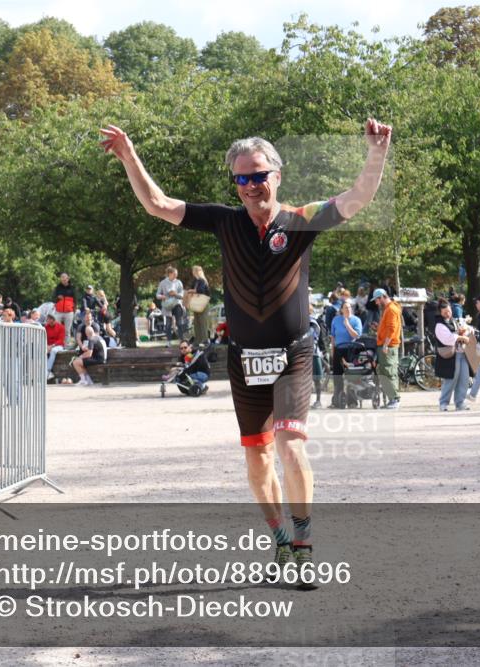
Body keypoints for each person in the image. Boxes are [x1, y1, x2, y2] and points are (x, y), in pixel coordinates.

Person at [100, 116, 391, 582]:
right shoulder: (224, 221)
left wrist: (376, 152)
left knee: (291, 445)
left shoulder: (300, 220)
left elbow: (356, 200)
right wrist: (128, 154)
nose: (252, 185)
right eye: (242, 178)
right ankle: (279, 541)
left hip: (293, 353)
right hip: (244, 359)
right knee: (257, 458)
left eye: (259, 175)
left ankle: (303, 542)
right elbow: (158, 204)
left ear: (277, 175)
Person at [433, 298, 472, 411]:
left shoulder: (453, 320)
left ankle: (460, 403)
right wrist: (461, 337)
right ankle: (443, 403)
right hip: (450, 355)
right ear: (440, 312)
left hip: (462, 353)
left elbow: (461, 331)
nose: (448, 313)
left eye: (449, 311)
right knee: (451, 379)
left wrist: (464, 331)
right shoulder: (439, 325)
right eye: (445, 312)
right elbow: (448, 339)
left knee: (464, 379)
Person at [329, 300, 362, 408]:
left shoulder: (356, 320)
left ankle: (352, 401)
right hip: (338, 349)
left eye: (349, 307)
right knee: (337, 376)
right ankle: (337, 401)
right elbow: (333, 336)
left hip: (351, 351)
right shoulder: (336, 320)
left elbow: (356, 335)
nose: (348, 309)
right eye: (345, 308)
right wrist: (332, 349)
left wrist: (347, 325)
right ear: (342, 310)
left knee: (351, 376)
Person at [374, 287, 402, 410]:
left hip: (388, 346)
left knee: (389, 372)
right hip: (388, 345)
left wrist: (385, 344)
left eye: (377, 300)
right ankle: (393, 399)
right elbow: (389, 328)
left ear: (382, 297)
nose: (376, 303)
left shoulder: (391, 309)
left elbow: (391, 329)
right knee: (386, 371)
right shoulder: (389, 309)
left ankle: (394, 399)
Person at [156, 266, 186, 345]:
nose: (176, 276)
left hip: (177, 304)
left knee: (179, 323)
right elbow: (157, 294)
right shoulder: (163, 283)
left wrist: (175, 294)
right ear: (169, 274)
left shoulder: (178, 282)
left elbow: (182, 295)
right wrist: (162, 296)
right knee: (168, 324)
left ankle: (182, 341)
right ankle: (168, 341)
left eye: (177, 274)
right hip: (167, 305)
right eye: (174, 274)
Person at [185, 265, 211, 344]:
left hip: (203, 304)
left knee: (202, 322)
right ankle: (198, 340)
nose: (192, 272)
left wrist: (191, 290)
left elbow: (200, 290)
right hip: (196, 304)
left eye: (193, 270)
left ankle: (204, 340)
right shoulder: (196, 281)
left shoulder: (202, 280)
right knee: (196, 322)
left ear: (196, 272)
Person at [52, 273, 76, 344]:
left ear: (68, 278)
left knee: (67, 330)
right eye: (61, 277)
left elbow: (75, 300)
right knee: (56, 329)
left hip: (69, 312)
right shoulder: (57, 287)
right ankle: (57, 343)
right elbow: (53, 299)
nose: (63, 279)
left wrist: (73, 311)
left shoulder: (72, 288)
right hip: (58, 311)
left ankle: (66, 345)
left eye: (64, 277)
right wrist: (57, 298)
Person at [44, 314, 66, 381]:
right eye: (47, 319)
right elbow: (44, 338)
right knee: (43, 351)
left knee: (53, 351)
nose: (47, 321)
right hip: (48, 345)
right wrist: (46, 346)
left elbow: (61, 340)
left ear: (52, 319)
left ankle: (47, 371)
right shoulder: (46, 327)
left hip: (58, 346)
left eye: (48, 319)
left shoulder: (61, 327)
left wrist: (52, 345)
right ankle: (47, 372)